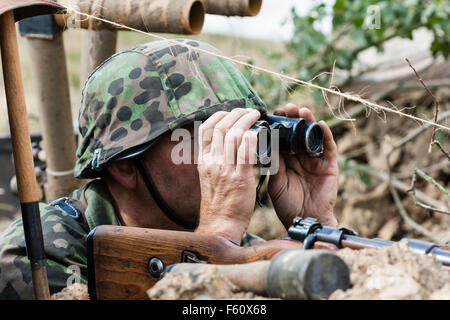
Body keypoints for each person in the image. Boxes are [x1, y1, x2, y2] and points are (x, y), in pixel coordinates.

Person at [0, 39, 338, 299]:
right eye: (207, 138)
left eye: (241, 132)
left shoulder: (241, 246)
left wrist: (316, 227)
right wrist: (216, 240)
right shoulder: (39, 257)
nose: (238, 151)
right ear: (126, 166)